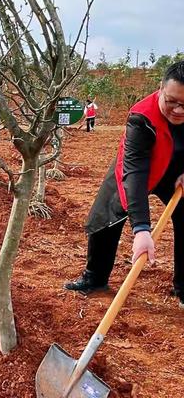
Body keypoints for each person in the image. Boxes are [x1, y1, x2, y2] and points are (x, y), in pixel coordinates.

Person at [64, 62, 184, 309]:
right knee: (105, 216)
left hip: (175, 168)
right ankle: (95, 278)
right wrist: (141, 229)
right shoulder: (141, 117)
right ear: (160, 88)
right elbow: (135, 173)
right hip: (137, 166)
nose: (179, 110)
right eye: (172, 101)